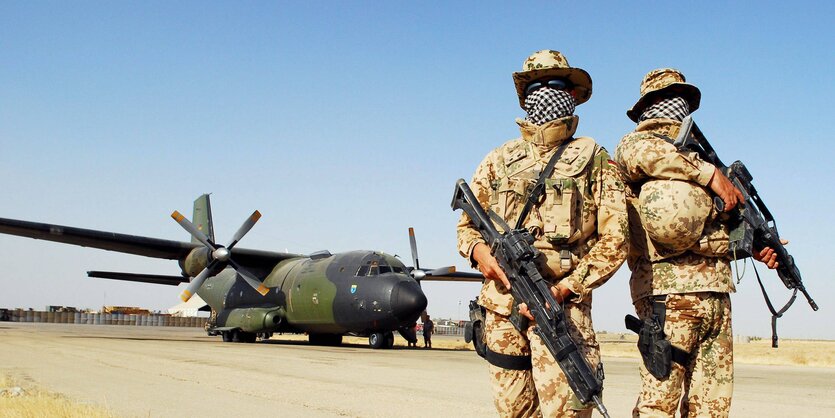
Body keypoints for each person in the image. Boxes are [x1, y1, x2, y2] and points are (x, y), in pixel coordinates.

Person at [457, 49, 628, 417]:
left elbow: (616, 240)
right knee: (513, 412)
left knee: (568, 410)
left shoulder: (593, 156)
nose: (546, 92)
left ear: (571, 94)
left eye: (557, 84)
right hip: (501, 309)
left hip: (560, 308)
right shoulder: (498, 158)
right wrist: (480, 255)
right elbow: (466, 227)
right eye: (537, 85)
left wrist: (565, 287)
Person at [615, 68, 783, 417]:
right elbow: (648, 157)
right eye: (666, 99)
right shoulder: (638, 145)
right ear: (648, 106)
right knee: (658, 405)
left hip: (716, 293)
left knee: (712, 406)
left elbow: (711, 229)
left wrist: (750, 246)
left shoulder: (699, 157)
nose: (674, 107)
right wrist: (710, 176)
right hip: (667, 294)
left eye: (680, 100)